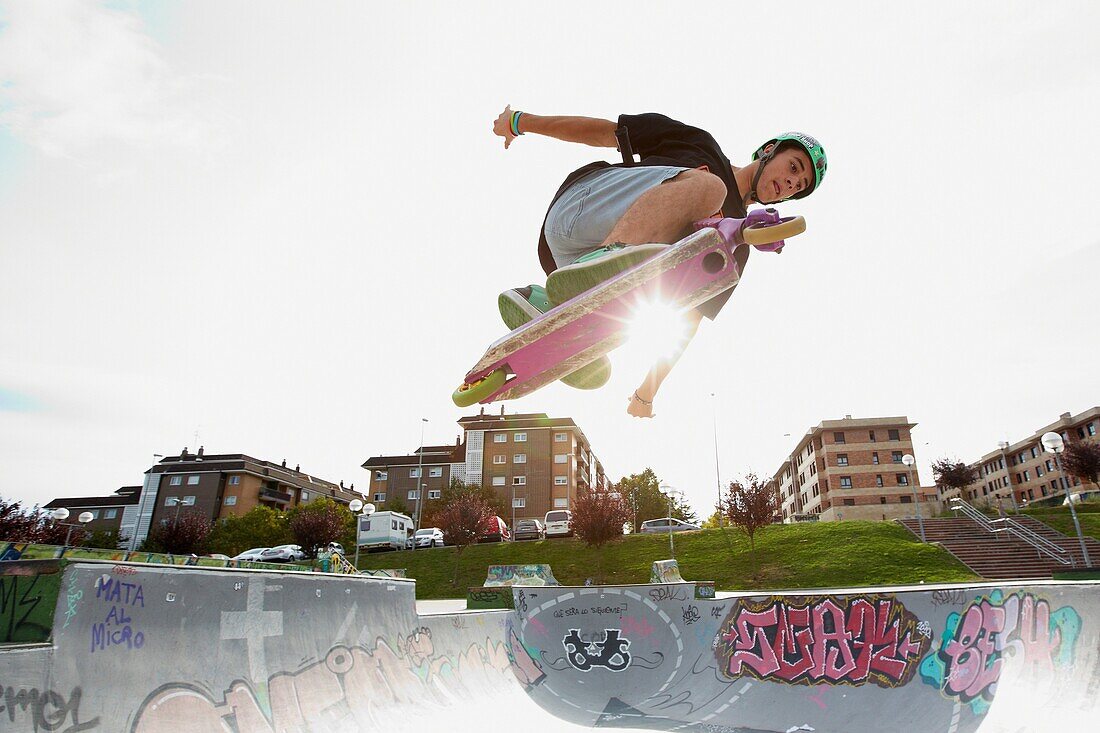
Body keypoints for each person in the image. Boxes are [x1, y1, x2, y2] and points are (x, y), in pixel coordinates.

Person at [492, 106, 826, 418]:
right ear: (769, 151)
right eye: (793, 167)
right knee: (711, 189)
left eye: (798, 187)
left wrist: (647, 391)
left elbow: (689, 318)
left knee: (655, 298)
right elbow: (603, 133)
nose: (790, 184)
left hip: (568, 265)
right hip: (581, 208)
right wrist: (521, 122)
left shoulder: (738, 244)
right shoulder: (700, 144)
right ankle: (605, 268)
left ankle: (546, 305)